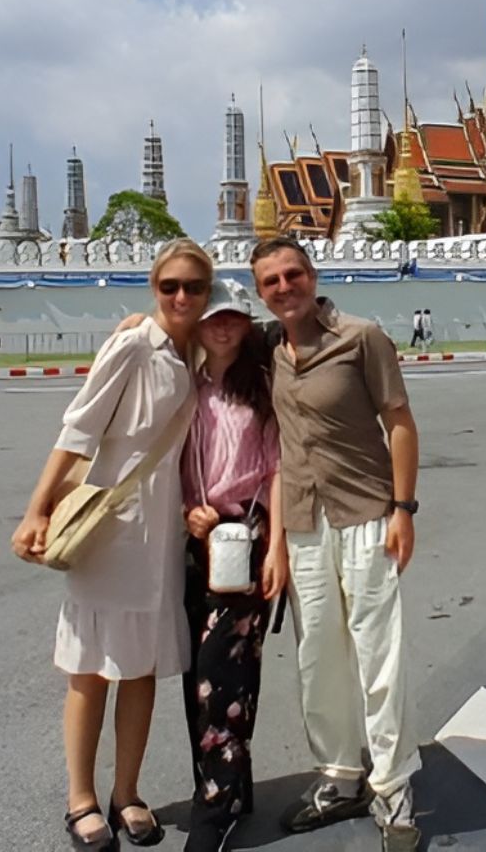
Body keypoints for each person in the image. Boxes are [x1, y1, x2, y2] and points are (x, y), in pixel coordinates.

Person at [11, 239, 210, 851]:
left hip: (163, 535)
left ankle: (127, 791)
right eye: (169, 286)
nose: (180, 297)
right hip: (109, 528)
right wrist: (36, 509)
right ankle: (81, 798)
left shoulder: (199, 352)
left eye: (193, 288)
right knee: (92, 668)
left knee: (142, 668)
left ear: (208, 294)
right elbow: (77, 431)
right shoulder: (132, 345)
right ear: (154, 288)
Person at [253, 237, 423, 852]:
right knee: (315, 654)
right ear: (259, 290)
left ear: (313, 274)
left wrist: (403, 510)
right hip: (302, 520)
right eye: (270, 280)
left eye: (292, 274)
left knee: (379, 651)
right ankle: (339, 774)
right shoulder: (266, 346)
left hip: (367, 511)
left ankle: (394, 782)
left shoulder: (360, 337)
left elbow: (399, 423)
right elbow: (198, 332)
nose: (283, 287)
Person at [178, 279, 286, 852]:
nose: (222, 327)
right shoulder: (187, 390)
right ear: (198, 326)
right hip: (195, 539)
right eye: (213, 318)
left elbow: (277, 471)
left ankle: (214, 806)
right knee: (198, 671)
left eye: (233, 319)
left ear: (247, 326)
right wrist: (185, 510)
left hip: (246, 536)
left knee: (225, 668)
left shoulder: (261, 389)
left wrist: (279, 549)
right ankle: (229, 780)